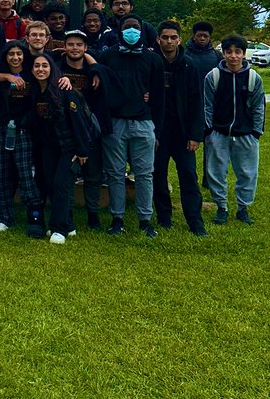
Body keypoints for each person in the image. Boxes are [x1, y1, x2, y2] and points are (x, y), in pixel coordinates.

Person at [98, 13, 164, 238]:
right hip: (116, 123)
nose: (132, 31)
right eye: (127, 27)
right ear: (119, 30)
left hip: (144, 123)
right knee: (115, 173)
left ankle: (145, 219)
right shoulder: (109, 56)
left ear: (142, 30)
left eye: (135, 27)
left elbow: (158, 96)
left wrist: (158, 130)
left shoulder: (153, 59)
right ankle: (117, 218)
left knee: (145, 173)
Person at [28, 53, 92, 245]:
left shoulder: (65, 91)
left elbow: (78, 122)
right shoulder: (34, 92)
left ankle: (59, 229)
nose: (40, 69)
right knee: (50, 185)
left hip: (69, 148)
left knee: (61, 184)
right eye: (37, 66)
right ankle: (69, 223)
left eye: (45, 66)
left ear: (52, 69)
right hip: (48, 148)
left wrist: (82, 151)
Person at [153, 21, 207, 236]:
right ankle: (164, 218)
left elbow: (196, 102)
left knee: (188, 176)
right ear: (158, 39)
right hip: (159, 132)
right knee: (158, 176)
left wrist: (195, 135)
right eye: (164, 37)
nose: (169, 41)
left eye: (173, 37)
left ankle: (195, 221)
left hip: (183, 133)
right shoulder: (152, 62)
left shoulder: (189, 65)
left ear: (180, 40)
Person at [0, 41, 44, 236]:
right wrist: (8, 76)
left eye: (19, 53)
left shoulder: (31, 73)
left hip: (22, 129)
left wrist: (25, 122)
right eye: (11, 54)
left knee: (25, 172)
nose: (15, 57)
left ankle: (34, 214)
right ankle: (4, 216)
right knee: (0, 173)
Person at [204, 35, 264, 225]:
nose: (233, 56)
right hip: (219, 133)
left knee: (247, 173)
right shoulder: (213, 76)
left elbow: (258, 107)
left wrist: (256, 132)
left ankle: (243, 208)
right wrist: (208, 130)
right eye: (229, 52)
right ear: (223, 52)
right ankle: (221, 207)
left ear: (244, 54)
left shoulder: (254, 78)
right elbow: (207, 106)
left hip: (246, 134)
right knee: (216, 171)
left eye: (237, 52)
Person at [58, 29, 111, 229]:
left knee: (93, 174)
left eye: (79, 45)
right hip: (66, 130)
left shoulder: (94, 70)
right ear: (64, 47)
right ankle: (68, 212)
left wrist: (95, 69)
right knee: (68, 174)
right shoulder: (57, 67)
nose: (75, 48)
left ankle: (93, 214)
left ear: (86, 48)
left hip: (90, 130)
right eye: (70, 44)